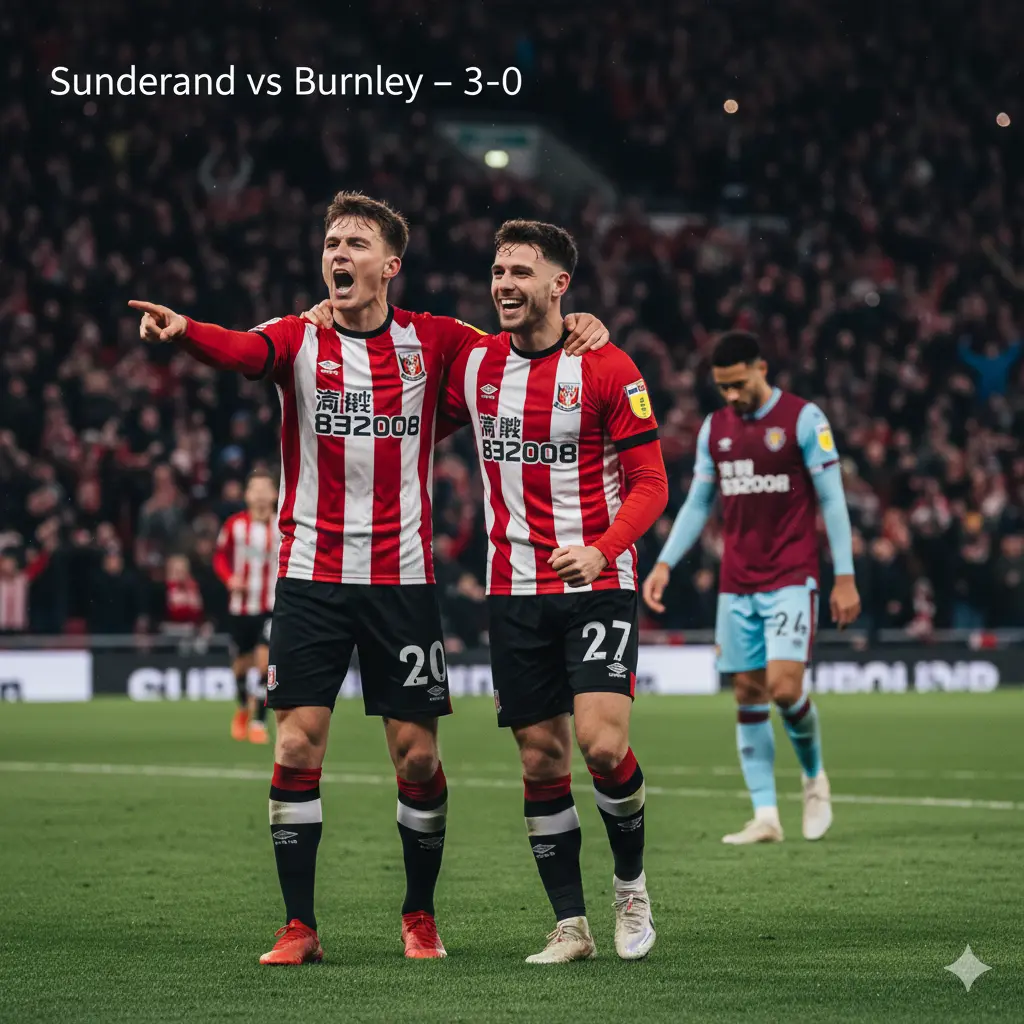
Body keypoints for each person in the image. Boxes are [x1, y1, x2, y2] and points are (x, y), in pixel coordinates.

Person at [128, 191, 609, 966]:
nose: (338, 254)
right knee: (293, 743)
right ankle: (299, 926)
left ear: (391, 266)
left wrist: (582, 325)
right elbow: (244, 353)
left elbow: (518, 345)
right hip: (310, 578)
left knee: (417, 759)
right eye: (330, 243)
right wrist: (186, 332)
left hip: (402, 582)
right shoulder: (296, 338)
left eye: (355, 243)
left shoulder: (437, 341)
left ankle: (418, 915)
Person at [439, 220, 668, 963]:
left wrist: (601, 552)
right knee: (541, 761)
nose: (504, 284)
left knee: (603, 746)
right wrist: (321, 317)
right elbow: (389, 349)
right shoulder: (475, 365)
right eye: (498, 270)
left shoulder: (607, 367)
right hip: (514, 590)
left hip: (598, 584)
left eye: (521, 272)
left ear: (559, 284)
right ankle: (571, 925)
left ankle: (630, 887)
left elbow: (651, 483)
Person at [642, 331, 861, 845]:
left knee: (785, 688)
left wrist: (845, 576)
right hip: (736, 583)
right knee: (746, 692)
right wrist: (665, 565)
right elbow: (698, 504)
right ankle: (765, 815)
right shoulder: (715, 429)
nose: (732, 396)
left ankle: (814, 778)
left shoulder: (804, 420)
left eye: (739, 384)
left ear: (762, 368)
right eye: (723, 387)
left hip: (791, 575)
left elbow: (831, 500)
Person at [213, 468, 280, 745]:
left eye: (266, 488)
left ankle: (258, 722)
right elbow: (219, 557)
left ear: (275, 494)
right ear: (247, 495)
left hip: (272, 606)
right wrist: (230, 579)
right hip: (241, 607)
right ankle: (242, 707)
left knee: (265, 663)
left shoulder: (283, 525)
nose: (261, 494)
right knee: (240, 666)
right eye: (256, 488)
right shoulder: (234, 526)